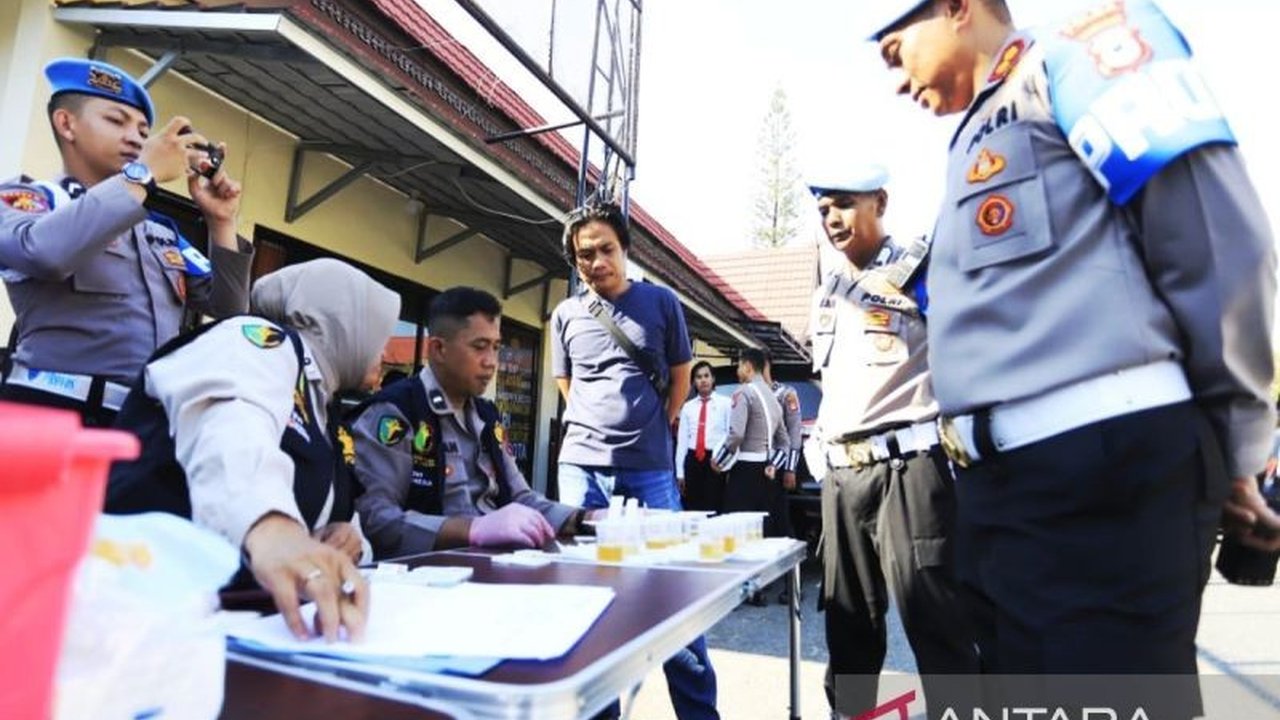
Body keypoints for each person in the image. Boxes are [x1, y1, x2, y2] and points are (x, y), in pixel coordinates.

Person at [870, 0, 1277, 713]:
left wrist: (1241, 450)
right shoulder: (974, 133)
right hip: (1004, 495)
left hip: (1098, 485)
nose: (897, 82)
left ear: (957, 9)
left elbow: (1217, 243)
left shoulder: (1080, 58)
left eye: (894, 51)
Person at [105, 258, 400, 643]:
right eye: (379, 332)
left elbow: (327, 513)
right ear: (343, 324)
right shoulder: (255, 342)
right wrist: (273, 528)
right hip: (137, 610)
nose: (387, 352)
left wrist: (345, 539)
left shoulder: (324, 408)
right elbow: (231, 423)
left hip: (231, 625)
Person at [806, 164, 977, 717]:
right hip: (842, 478)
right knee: (848, 628)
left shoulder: (922, 270)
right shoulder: (827, 289)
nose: (831, 218)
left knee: (938, 622)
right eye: (823, 208)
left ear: (879, 201)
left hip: (910, 469)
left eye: (843, 203)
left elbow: (969, 355)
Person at [0, 58, 253, 427]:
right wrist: (143, 173)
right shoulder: (34, 200)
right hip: (51, 411)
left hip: (139, 419)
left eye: (143, 130)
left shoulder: (158, 231)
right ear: (66, 124)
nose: (136, 138)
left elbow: (228, 310)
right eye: (116, 121)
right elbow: (46, 254)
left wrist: (221, 221)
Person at [552, 200, 718, 720]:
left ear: (625, 248)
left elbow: (681, 375)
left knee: (672, 595)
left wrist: (654, 426)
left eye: (606, 249)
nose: (596, 261)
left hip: (650, 469)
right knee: (586, 598)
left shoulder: (661, 302)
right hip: (580, 469)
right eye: (585, 255)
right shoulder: (565, 314)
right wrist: (593, 429)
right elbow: (566, 383)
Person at [347, 286, 594, 559]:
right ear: (438, 349)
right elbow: (376, 519)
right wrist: (473, 529)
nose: (491, 362)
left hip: (495, 564)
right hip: (425, 571)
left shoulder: (486, 416)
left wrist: (587, 519)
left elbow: (521, 498)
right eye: (479, 347)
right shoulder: (396, 413)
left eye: (496, 347)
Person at [713, 348, 790, 536]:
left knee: (736, 528)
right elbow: (784, 442)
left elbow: (737, 434)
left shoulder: (743, 392)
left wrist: (719, 460)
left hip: (744, 471)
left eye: (739, 366)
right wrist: (773, 464)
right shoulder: (773, 397)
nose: (737, 371)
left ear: (747, 367)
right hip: (766, 471)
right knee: (761, 530)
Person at [675, 360, 732, 513]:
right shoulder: (688, 407)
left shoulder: (726, 403)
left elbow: (731, 436)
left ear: (713, 379)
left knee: (714, 507)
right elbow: (682, 441)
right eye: (699, 377)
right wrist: (680, 473)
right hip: (693, 460)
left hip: (715, 460)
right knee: (691, 508)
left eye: (706, 376)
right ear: (694, 382)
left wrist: (726, 464)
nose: (703, 380)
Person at [761, 349, 802, 537]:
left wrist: (790, 468)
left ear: (768, 364)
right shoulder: (749, 392)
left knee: (779, 515)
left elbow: (794, 432)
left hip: (778, 462)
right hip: (755, 462)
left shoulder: (785, 393)